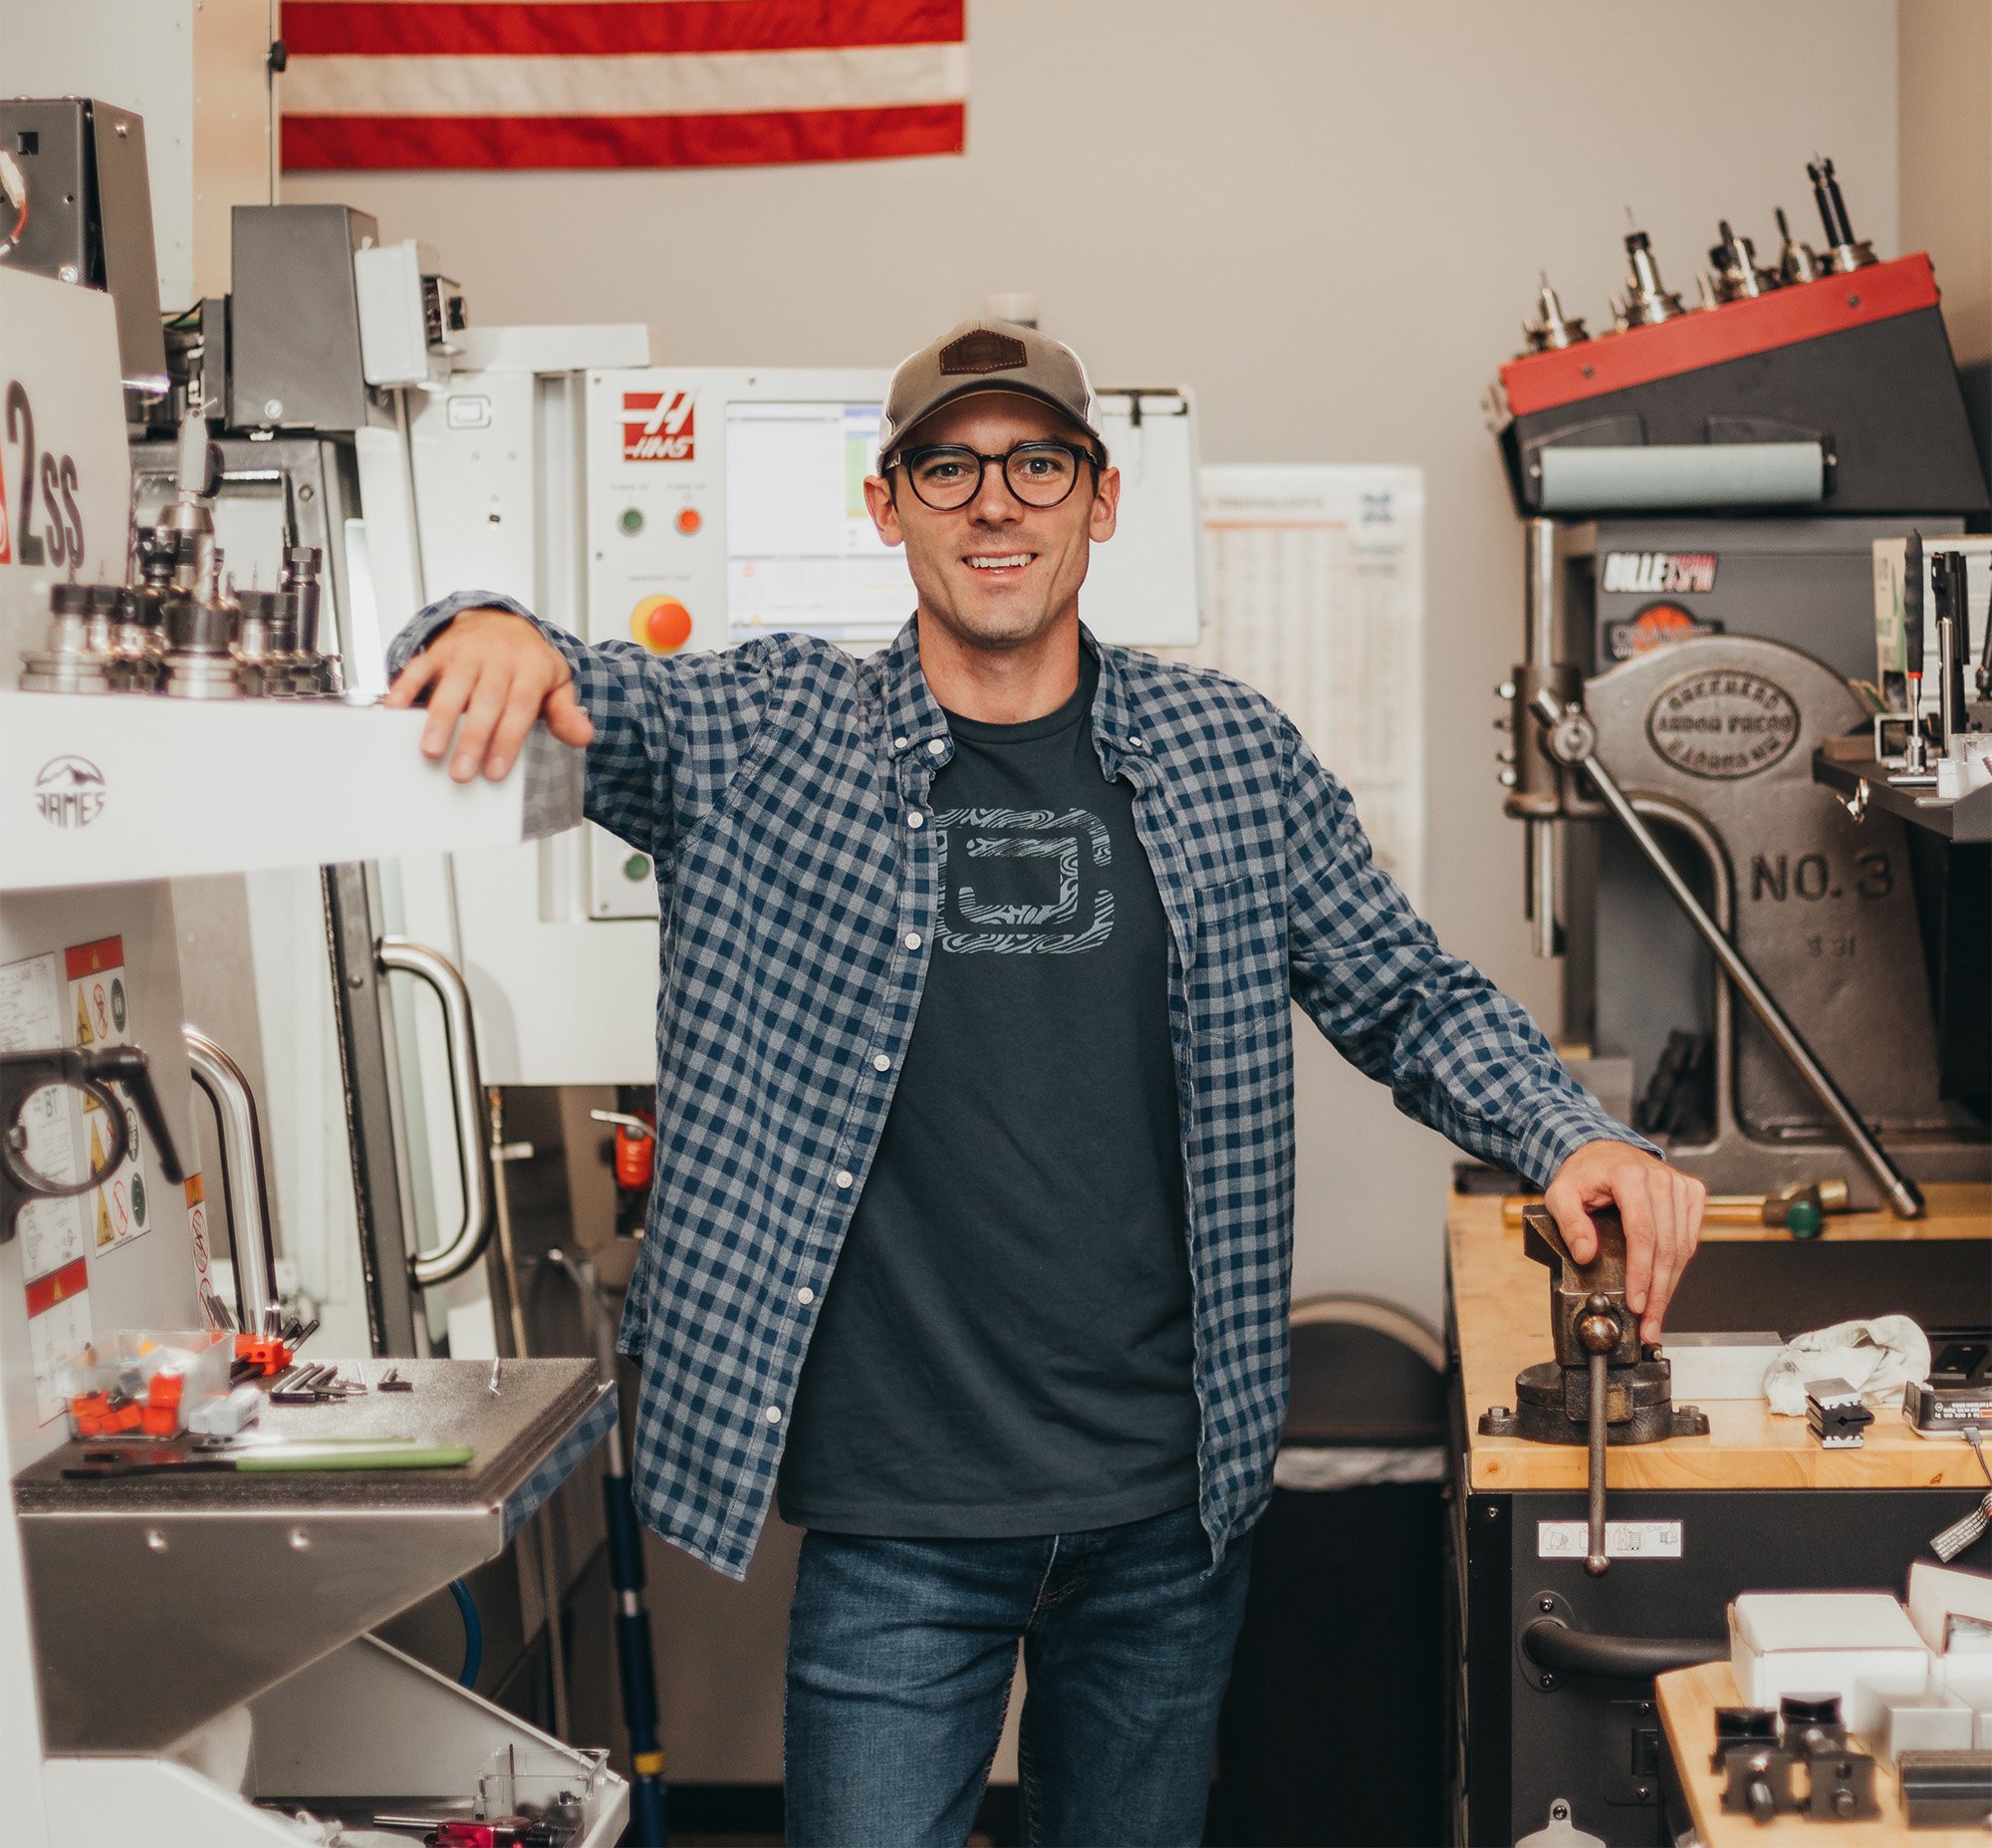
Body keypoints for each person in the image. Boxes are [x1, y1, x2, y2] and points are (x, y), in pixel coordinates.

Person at [385, 319, 1705, 1848]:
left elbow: (1404, 991)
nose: (992, 503)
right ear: (887, 506)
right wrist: (486, 618)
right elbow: (516, 672)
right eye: (947, 466)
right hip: (896, 1517)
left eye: (1036, 463)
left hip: (1169, 1506)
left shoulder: (1228, 754)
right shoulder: (756, 733)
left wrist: (1569, 1134)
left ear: (1101, 497)